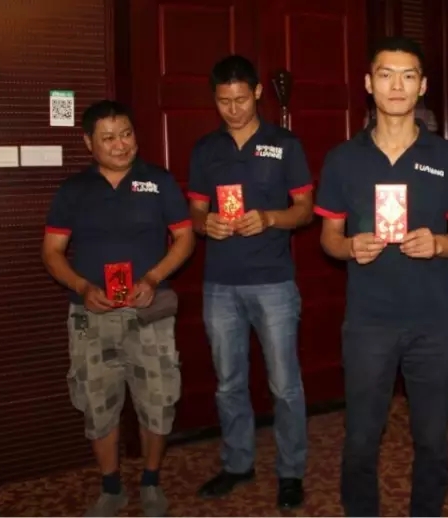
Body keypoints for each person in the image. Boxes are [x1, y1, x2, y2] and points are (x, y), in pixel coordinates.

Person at [314, 36, 448, 517]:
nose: (396, 85)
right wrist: (350, 246)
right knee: (361, 437)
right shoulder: (343, 159)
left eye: (408, 76)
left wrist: (439, 244)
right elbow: (328, 237)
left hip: (434, 323)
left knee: (432, 438)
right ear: (369, 83)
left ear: (422, 86)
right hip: (369, 322)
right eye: (386, 74)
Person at [42, 100, 195, 517]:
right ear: (88, 143)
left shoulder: (159, 181)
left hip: (150, 312)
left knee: (158, 400)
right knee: (98, 403)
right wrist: (81, 286)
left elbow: (184, 239)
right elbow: (52, 252)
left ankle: (151, 481)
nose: (120, 144)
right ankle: (111, 488)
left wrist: (153, 278)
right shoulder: (73, 190)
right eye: (108, 137)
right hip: (91, 315)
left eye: (126, 134)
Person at [188, 55, 313, 509]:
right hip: (220, 284)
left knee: (285, 384)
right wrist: (206, 224)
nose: (234, 109)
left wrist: (270, 218)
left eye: (241, 99)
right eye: (224, 101)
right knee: (228, 382)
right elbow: (195, 211)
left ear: (258, 93)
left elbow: (305, 209)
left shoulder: (284, 144)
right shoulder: (206, 149)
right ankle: (238, 463)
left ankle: (291, 471)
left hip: (273, 282)